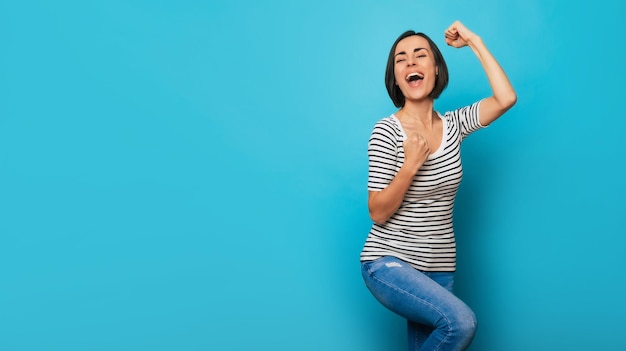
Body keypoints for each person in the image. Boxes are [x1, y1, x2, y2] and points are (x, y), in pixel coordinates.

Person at [360, 21, 516, 351]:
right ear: (396, 75)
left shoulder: (454, 125)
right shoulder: (386, 132)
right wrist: (411, 164)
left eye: (420, 55)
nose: (411, 63)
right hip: (389, 263)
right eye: (401, 59)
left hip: (440, 267)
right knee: (460, 322)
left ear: (435, 68)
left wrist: (475, 41)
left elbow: (505, 98)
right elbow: (378, 211)